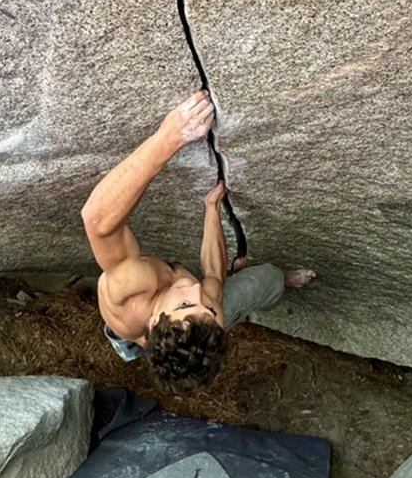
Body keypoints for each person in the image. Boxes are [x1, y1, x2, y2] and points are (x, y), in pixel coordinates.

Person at [81, 90, 314, 392]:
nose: (196, 289)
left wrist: (172, 141)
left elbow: (98, 221)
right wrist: (170, 138)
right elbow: (214, 278)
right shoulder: (204, 314)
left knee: (129, 337)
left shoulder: (131, 289)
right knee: (268, 279)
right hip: (140, 326)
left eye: (188, 302)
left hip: (132, 316)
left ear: (155, 323)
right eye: (209, 309)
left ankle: (129, 347)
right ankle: (280, 280)